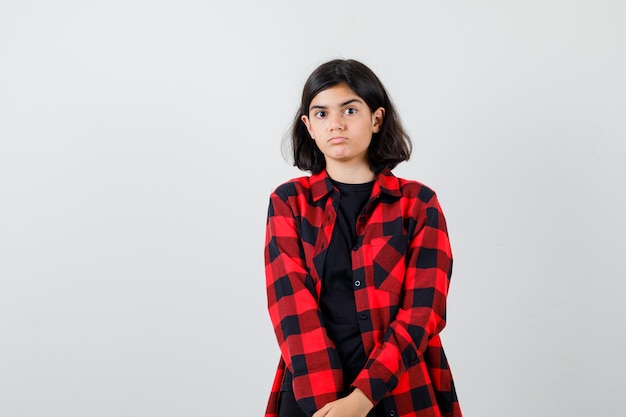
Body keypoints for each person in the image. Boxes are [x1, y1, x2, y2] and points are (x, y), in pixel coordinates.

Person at [264, 59, 461, 417]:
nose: (335, 124)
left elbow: (423, 311)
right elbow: (291, 307)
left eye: (349, 109)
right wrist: (328, 405)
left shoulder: (418, 204)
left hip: (400, 389)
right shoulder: (288, 202)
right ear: (308, 126)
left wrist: (361, 400)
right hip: (312, 393)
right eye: (321, 114)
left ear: (376, 118)